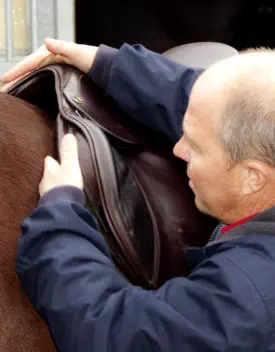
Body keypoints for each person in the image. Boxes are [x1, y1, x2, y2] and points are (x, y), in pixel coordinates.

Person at [2, 39, 275, 352]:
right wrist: (106, 63)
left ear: (252, 177)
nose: (178, 148)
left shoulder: (252, 299)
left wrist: (59, 221)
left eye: (196, 146)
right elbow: (198, 95)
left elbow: (118, 335)